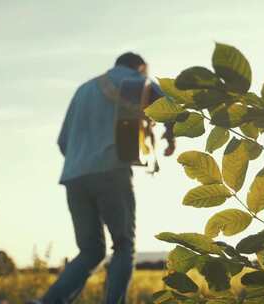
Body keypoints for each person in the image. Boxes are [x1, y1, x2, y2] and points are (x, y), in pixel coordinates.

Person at [30, 53, 175, 304]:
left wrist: (83, 160)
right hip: (111, 170)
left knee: (90, 251)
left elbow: (62, 141)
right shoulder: (135, 79)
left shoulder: (83, 90)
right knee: (123, 246)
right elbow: (170, 107)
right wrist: (171, 136)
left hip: (74, 176)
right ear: (139, 66)